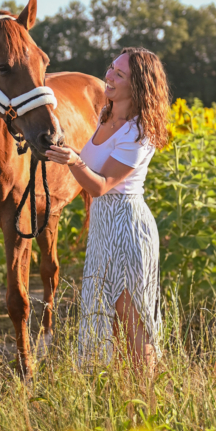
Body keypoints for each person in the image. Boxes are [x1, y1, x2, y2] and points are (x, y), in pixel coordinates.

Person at [45, 47, 170, 375]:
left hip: (127, 225)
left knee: (133, 321)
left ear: (139, 86)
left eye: (120, 74)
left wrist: (73, 159)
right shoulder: (105, 116)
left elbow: (101, 185)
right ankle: (127, 402)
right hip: (104, 225)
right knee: (111, 320)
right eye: (111, 69)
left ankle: (146, 404)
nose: (109, 77)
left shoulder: (138, 131)